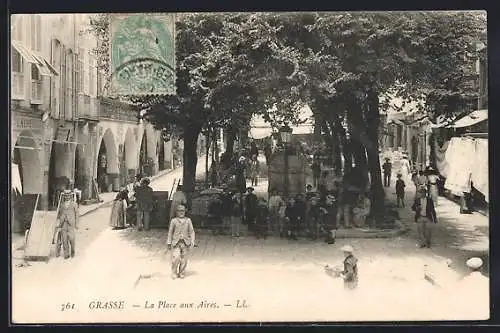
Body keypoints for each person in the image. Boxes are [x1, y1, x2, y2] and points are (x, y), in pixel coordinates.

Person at [167, 204, 196, 279]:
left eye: (183, 211)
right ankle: (174, 272)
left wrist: (192, 241)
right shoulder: (174, 221)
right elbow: (170, 232)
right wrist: (169, 242)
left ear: (185, 211)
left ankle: (182, 272)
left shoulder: (188, 220)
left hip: (185, 243)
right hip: (176, 242)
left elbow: (192, 231)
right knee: (176, 257)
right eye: (179, 211)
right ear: (176, 212)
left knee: (184, 259)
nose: (181, 212)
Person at [56, 190, 79, 259]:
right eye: (66, 196)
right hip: (63, 223)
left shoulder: (74, 204)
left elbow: (77, 214)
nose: (67, 197)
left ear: (71, 196)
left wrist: (77, 224)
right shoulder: (62, 204)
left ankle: (72, 252)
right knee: (64, 239)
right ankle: (66, 254)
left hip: (71, 223)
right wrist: (59, 222)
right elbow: (59, 214)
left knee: (72, 238)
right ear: (64, 196)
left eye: (68, 196)